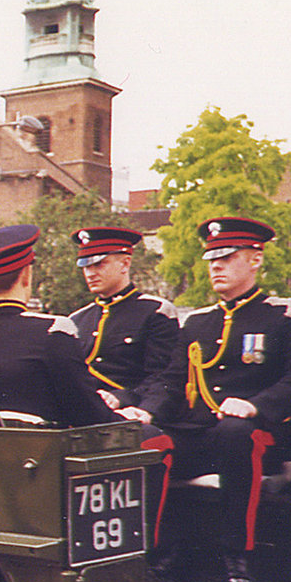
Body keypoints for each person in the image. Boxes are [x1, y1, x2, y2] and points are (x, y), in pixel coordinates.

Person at [142, 217, 291, 582]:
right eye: (212, 260)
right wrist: (147, 412)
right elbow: (172, 382)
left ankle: (237, 557)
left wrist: (257, 405)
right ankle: (161, 558)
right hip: (202, 435)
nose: (216, 267)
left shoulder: (283, 316)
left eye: (226, 258)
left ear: (255, 260)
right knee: (149, 442)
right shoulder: (197, 323)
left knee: (236, 433)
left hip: (255, 436)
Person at [68, 226, 181, 564]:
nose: (91, 272)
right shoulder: (76, 320)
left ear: (125, 262)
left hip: (137, 418)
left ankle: (157, 558)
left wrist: (130, 402)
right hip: (93, 416)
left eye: (99, 263)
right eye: (86, 266)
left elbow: (163, 376)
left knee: (149, 447)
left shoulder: (154, 313)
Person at [0, 225, 123, 428]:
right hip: (43, 454)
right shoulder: (53, 331)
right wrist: (129, 418)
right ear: (26, 275)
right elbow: (88, 414)